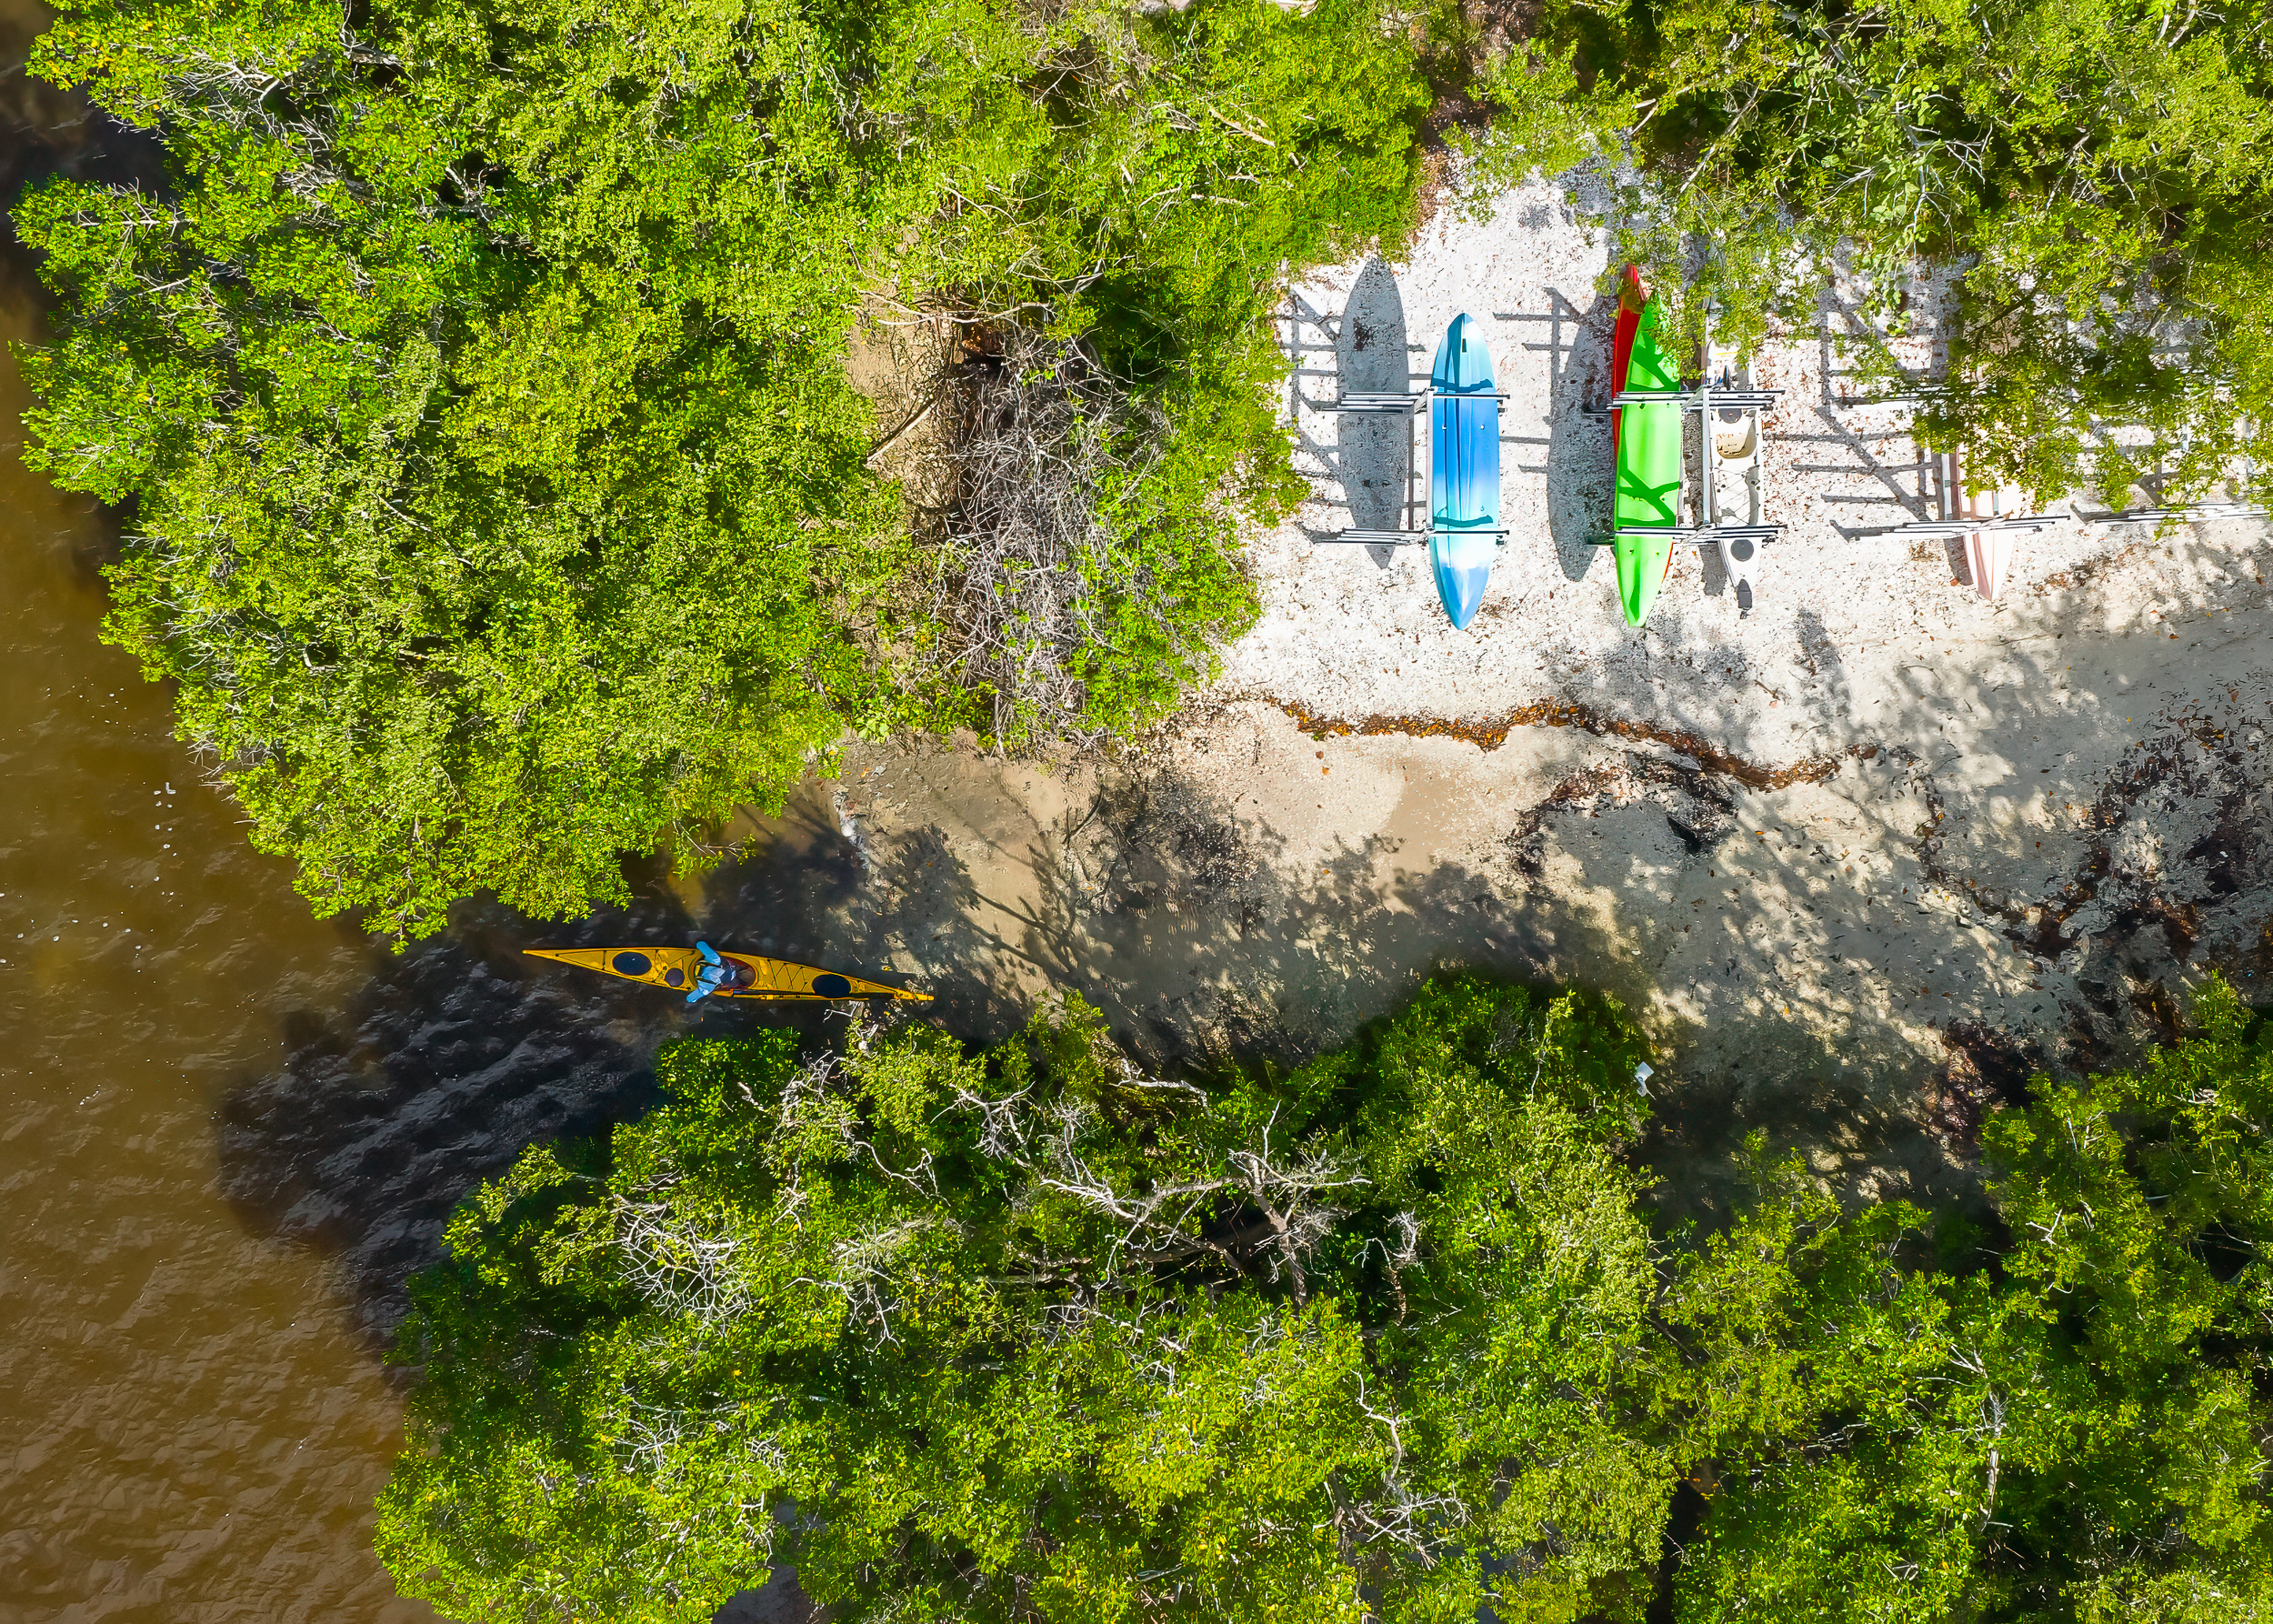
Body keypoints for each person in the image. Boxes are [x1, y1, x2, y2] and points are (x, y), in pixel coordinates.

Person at [686, 941, 754, 1003]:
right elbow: (689, 999)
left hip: (687, 960)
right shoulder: (708, 987)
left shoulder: (715, 960)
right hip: (681, 977)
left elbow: (700, 944)